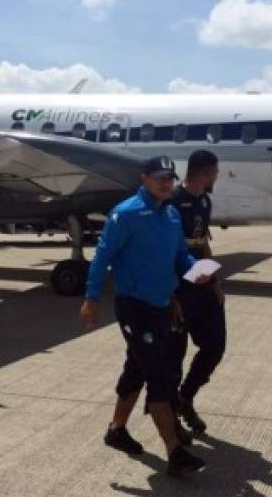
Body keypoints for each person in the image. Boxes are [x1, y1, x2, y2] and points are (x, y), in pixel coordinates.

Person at [80, 155, 209, 477]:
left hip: (162, 305)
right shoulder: (125, 215)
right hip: (134, 307)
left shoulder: (170, 215)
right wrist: (91, 298)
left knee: (136, 370)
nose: (166, 182)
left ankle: (116, 430)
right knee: (159, 376)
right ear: (144, 178)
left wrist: (195, 270)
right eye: (159, 177)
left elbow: (179, 256)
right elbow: (101, 258)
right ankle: (175, 453)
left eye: (170, 177)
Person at [167, 151, 226, 436]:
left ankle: (185, 397)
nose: (216, 177)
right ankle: (171, 421)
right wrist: (170, 296)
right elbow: (164, 252)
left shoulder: (204, 201)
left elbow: (202, 243)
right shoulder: (172, 203)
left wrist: (215, 283)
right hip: (179, 287)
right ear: (204, 172)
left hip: (202, 283)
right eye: (214, 172)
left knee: (215, 346)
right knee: (174, 356)